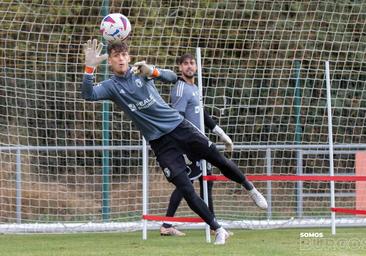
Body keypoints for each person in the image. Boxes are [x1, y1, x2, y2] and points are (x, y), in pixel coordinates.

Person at [81, 39, 268, 245]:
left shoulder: (140, 73)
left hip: (180, 127)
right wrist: (90, 67)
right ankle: (218, 229)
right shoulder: (110, 86)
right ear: (111, 62)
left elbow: (172, 78)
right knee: (186, 189)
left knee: (218, 159)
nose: (121, 59)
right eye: (116, 56)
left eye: (124, 55)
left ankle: (250, 188)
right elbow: (88, 94)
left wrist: (152, 71)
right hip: (160, 143)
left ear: (129, 57)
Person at [160, 53, 234, 237]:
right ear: (179, 67)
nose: (189, 66)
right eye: (185, 64)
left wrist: (221, 134)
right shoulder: (181, 88)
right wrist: (186, 144)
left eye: (192, 63)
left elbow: (204, 115)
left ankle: (214, 226)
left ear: (197, 67)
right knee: (185, 184)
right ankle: (167, 224)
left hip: (200, 143)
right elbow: (178, 118)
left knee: (206, 184)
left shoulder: (195, 88)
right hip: (190, 145)